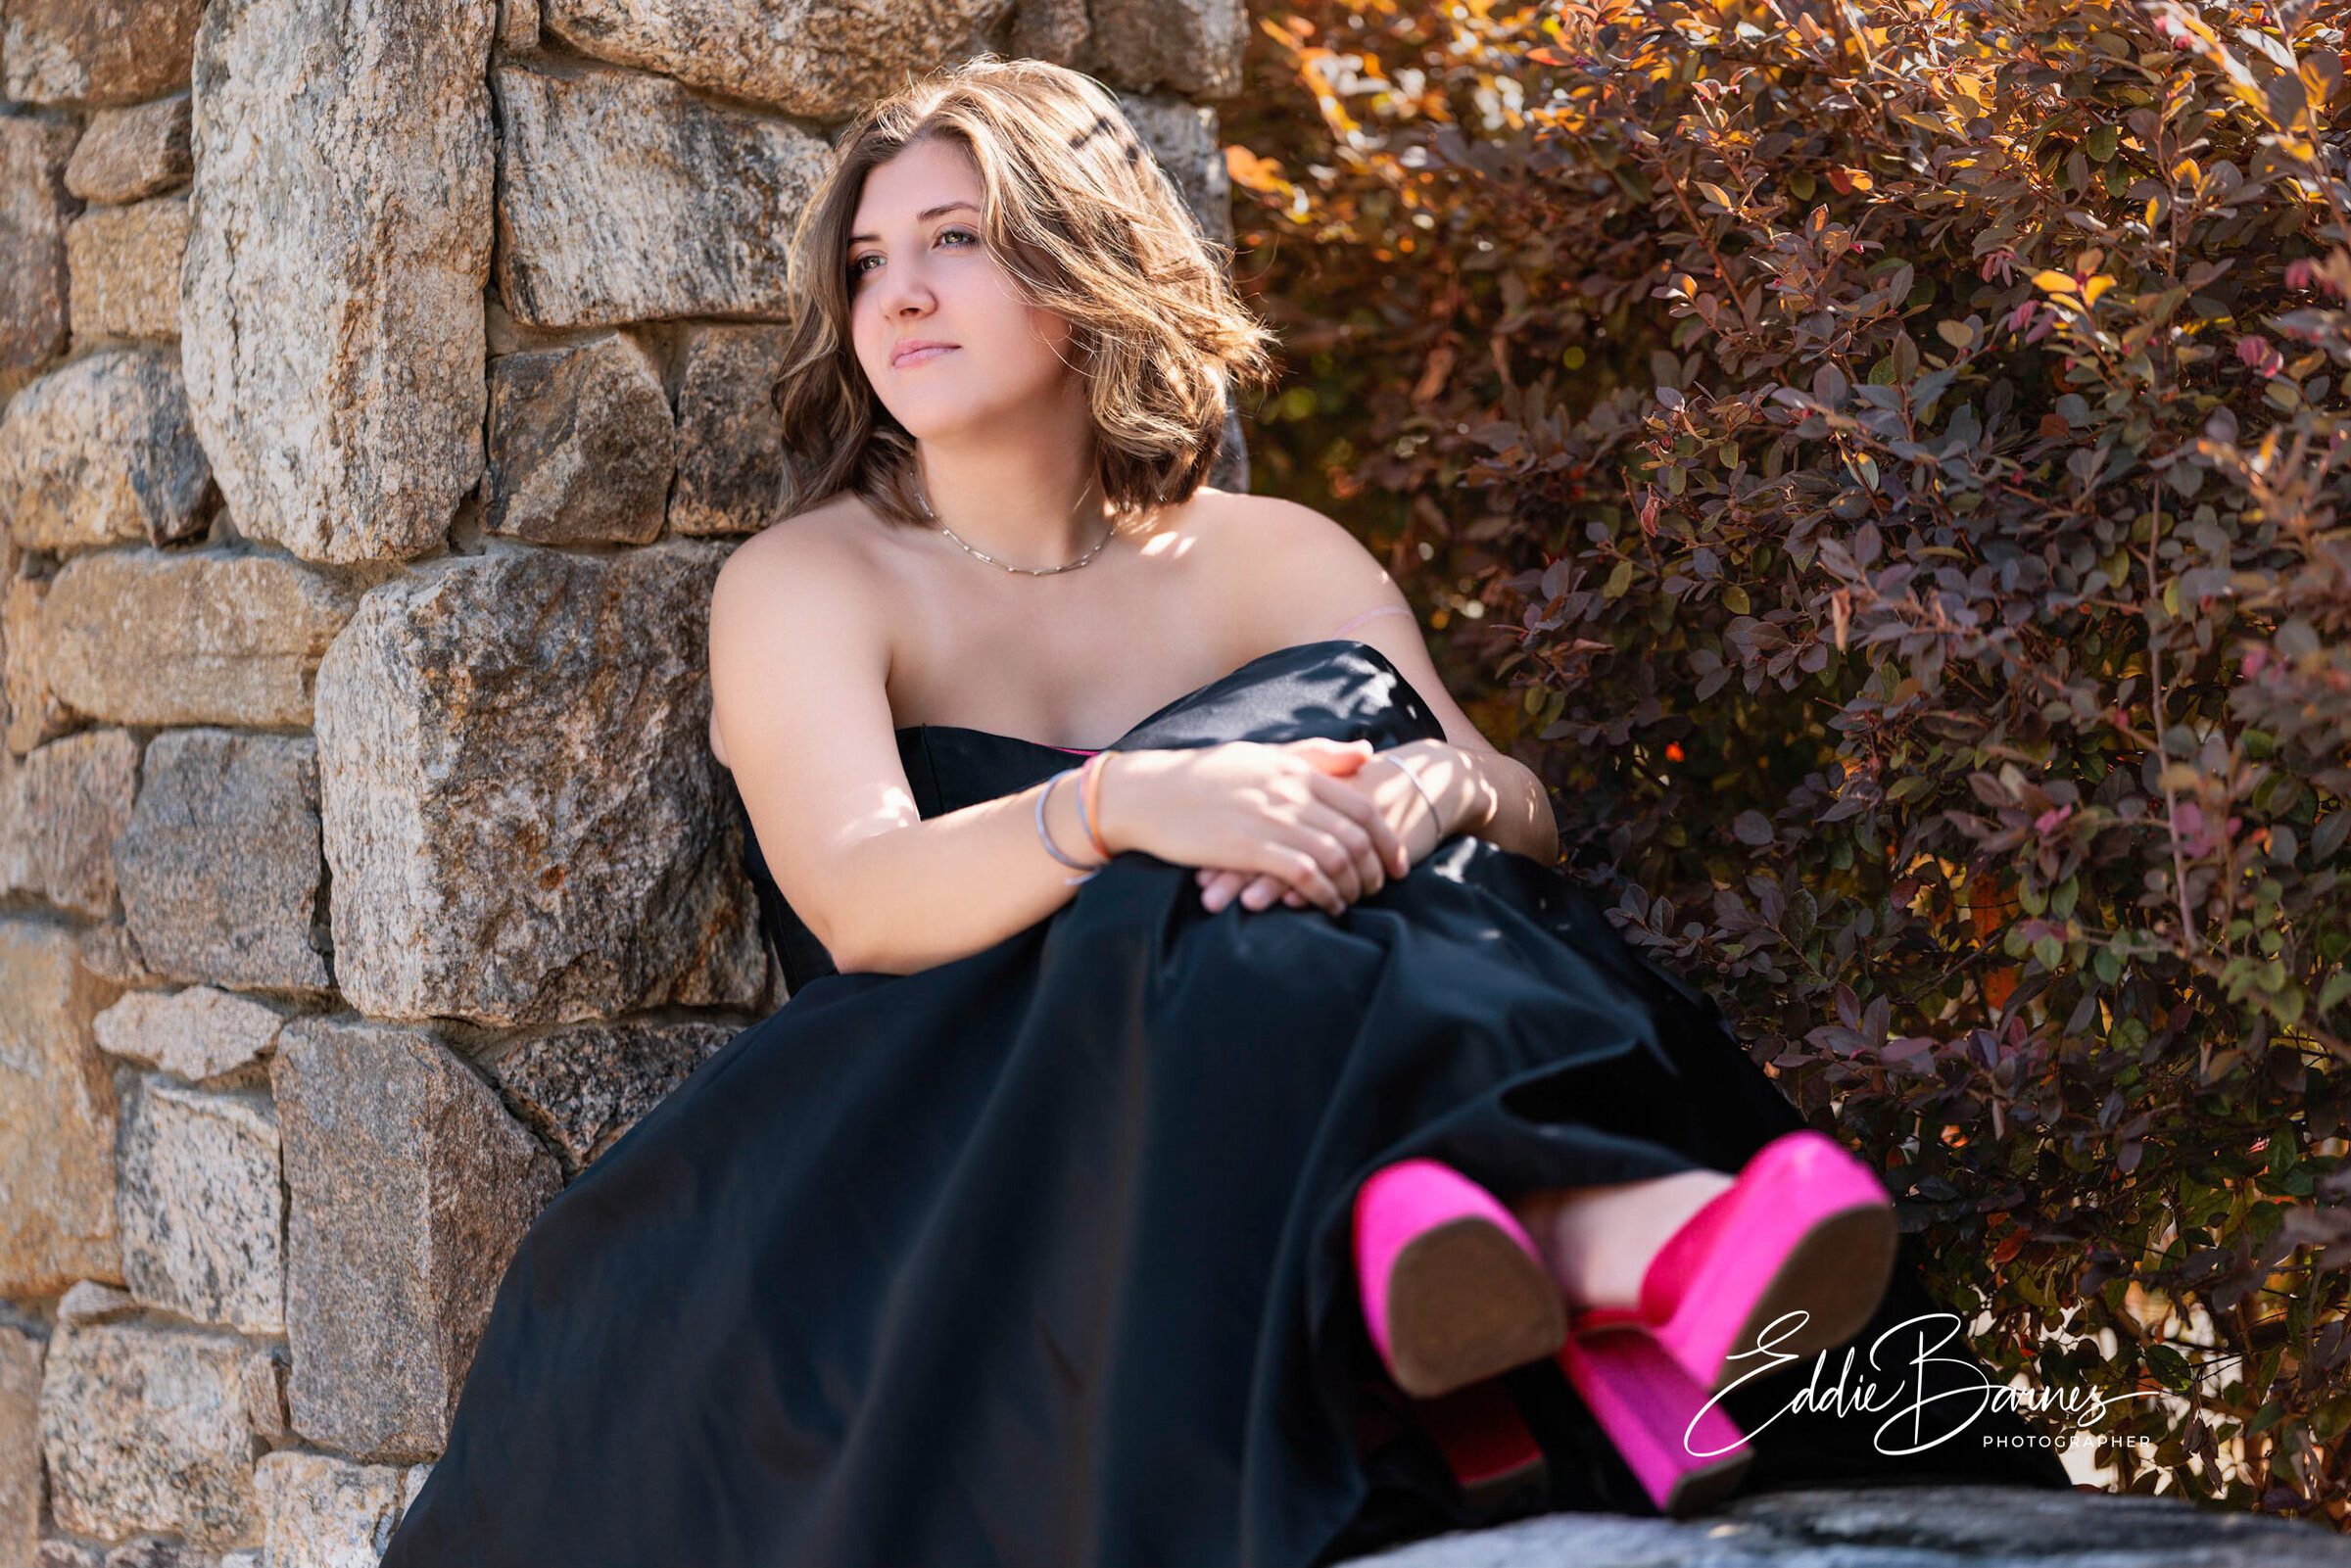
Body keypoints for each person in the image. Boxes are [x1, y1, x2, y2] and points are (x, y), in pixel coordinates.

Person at [381, 56, 2070, 1568]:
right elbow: (860, 894)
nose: (900, 293)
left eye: (956, 239)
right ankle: (1600, 1241)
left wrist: (1438, 782)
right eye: (869, 261)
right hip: (973, 1116)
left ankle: (1444, 1235)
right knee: (1202, 848)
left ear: (1085, 259)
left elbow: (1518, 804)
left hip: (1273, 1075)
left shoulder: (1273, 555)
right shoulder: (815, 579)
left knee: (1349, 753)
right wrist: (1133, 804)